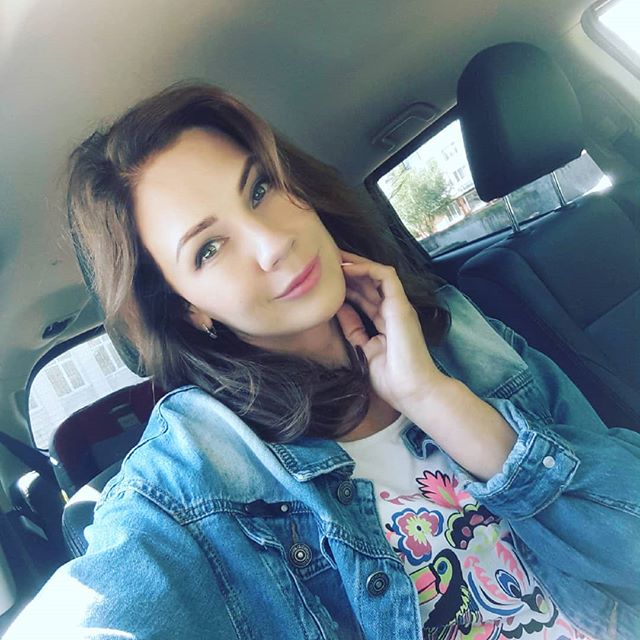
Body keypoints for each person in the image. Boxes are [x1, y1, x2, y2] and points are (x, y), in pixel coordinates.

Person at [6, 82, 640, 640]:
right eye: (209, 249)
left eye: (259, 189)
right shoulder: (188, 479)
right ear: (187, 309)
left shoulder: (463, 336)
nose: (272, 242)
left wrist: (435, 398)